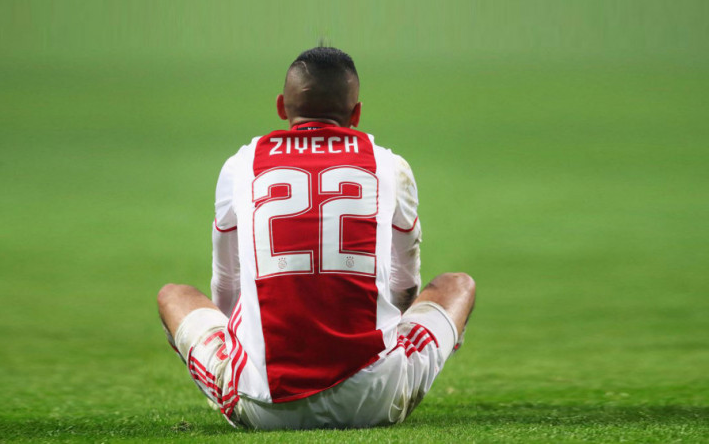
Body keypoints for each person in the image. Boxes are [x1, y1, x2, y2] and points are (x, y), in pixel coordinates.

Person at [157, 47, 475, 429]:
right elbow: (405, 283)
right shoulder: (390, 165)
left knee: (173, 295)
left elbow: (226, 282)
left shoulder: (241, 165)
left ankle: (234, 385)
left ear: (281, 106)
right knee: (457, 285)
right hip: (374, 398)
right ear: (356, 114)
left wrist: (241, 348)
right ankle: (386, 370)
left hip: (264, 407)